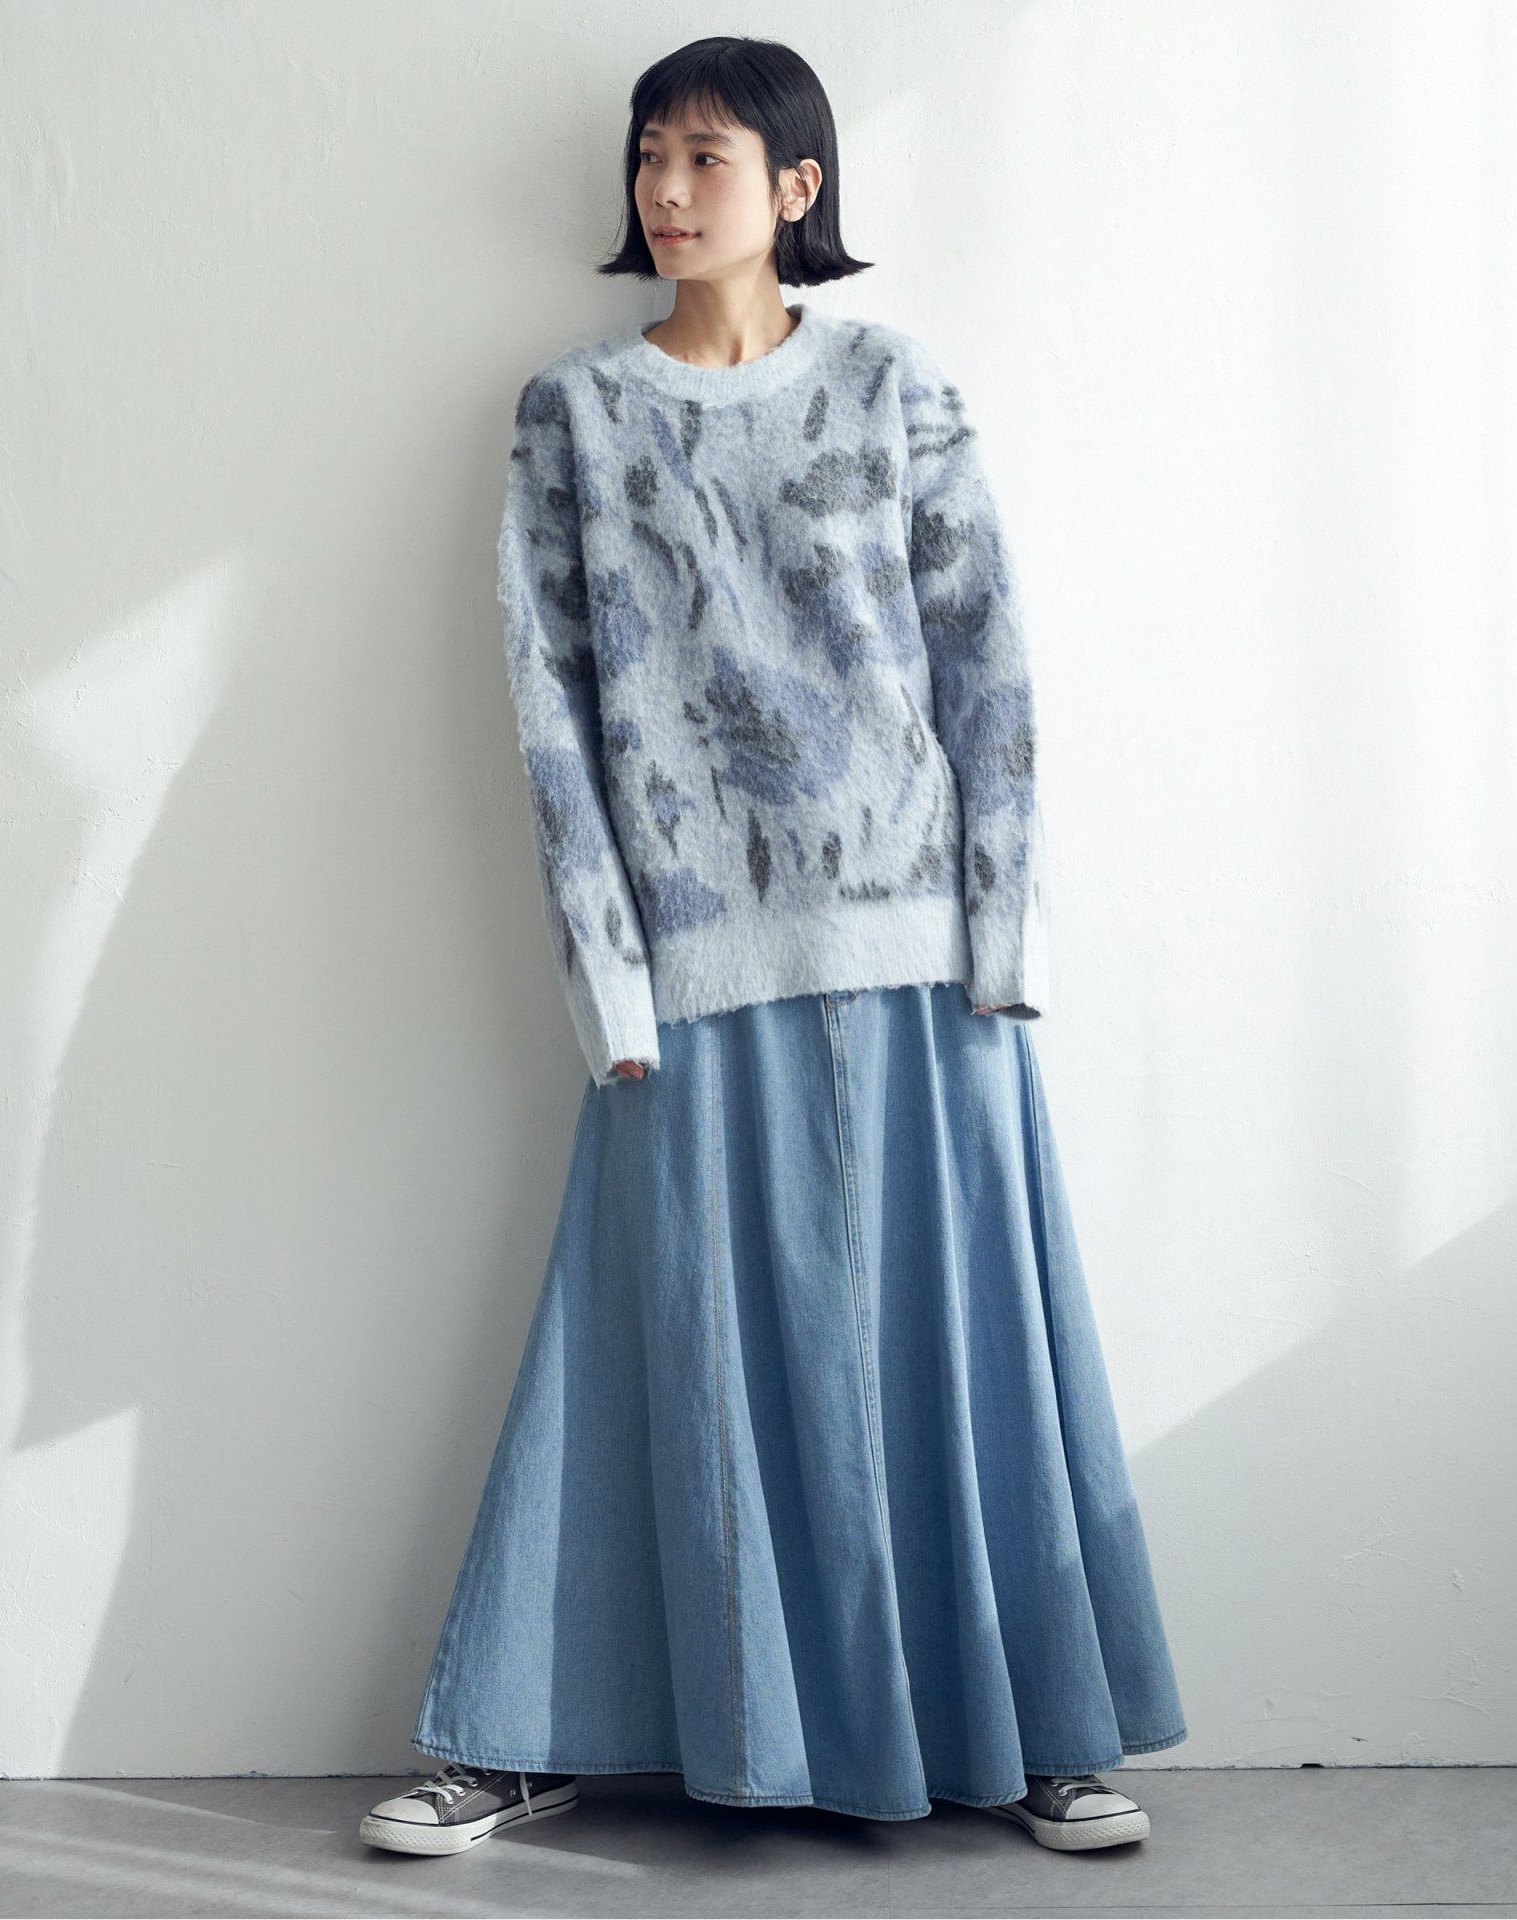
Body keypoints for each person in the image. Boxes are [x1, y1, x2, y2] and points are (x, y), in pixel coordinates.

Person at [360, 33, 1187, 1860]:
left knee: (967, 1337)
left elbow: (988, 674)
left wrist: (1004, 934)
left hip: (922, 954)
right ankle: (516, 1735)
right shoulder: (574, 416)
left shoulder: (897, 390)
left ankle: (1044, 1737)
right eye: (648, 154)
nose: (666, 189)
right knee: (637, 1337)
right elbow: (553, 712)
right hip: (692, 962)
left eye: (706, 157)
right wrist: (606, 970)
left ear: (797, 186)